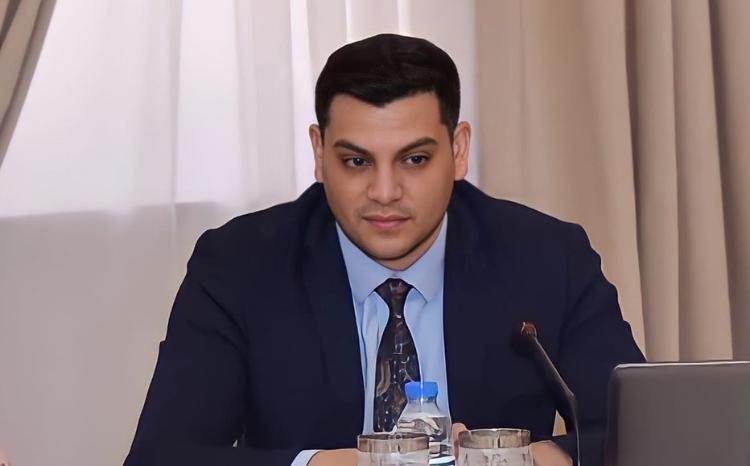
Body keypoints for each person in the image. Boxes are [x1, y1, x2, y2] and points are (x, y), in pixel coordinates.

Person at [124, 33, 644, 466]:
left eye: (414, 160)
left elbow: (646, 435)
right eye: (357, 162)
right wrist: (332, 465)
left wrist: (525, 459)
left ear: (458, 150)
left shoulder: (546, 256)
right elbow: (163, 456)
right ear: (319, 153)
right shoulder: (240, 267)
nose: (385, 191)